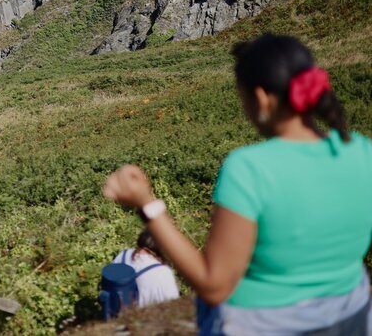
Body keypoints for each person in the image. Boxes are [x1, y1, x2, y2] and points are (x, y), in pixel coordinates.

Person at [102, 34, 372, 335]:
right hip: (353, 318)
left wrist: (147, 205)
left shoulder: (249, 168)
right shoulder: (362, 151)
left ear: (260, 98)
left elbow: (214, 285)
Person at [111, 228, 179, 307]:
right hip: (144, 317)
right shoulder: (163, 273)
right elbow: (173, 308)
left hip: (115, 315)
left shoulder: (123, 255)